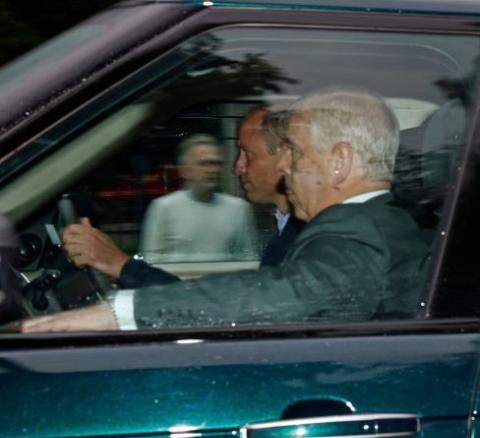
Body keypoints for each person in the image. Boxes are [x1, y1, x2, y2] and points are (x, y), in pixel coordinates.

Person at [22, 87, 429, 332]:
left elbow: (289, 295)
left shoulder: (358, 231)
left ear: (339, 162)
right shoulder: (381, 222)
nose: (284, 167)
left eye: (296, 153)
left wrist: (118, 314)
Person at [61, 106, 303, 288]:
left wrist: (119, 265)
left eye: (247, 155)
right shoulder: (285, 229)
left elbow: (234, 307)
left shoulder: (305, 238)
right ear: (185, 170)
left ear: (285, 158)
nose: (236, 167)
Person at [138, 133, 257, 263]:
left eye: (216, 163)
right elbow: (151, 262)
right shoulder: (163, 208)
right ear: (184, 170)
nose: (213, 170)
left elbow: (248, 259)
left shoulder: (239, 208)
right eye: (204, 163)